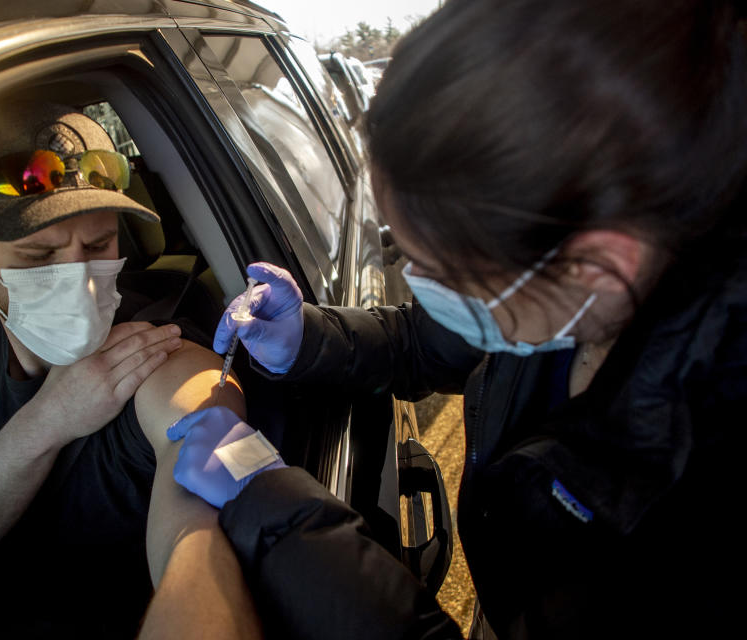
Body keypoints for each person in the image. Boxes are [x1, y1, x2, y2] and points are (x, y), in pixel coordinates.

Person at [155, 1, 747, 638]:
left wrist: (272, 505)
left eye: (441, 268)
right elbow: (427, 340)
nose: (415, 283)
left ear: (594, 267)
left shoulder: (705, 494)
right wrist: (308, 339)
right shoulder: (553, 282)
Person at [0, 101, 260, 637]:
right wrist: (49, 420)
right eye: (38, 257)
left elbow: (202, 481)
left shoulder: (159, 349)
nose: (80, 280)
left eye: (99, 244)